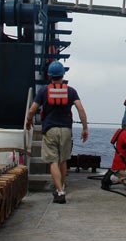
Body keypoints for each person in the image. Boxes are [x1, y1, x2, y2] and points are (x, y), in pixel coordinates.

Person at [25, 60, 88, 204]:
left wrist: (29, 121)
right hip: (66, 129)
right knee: (63, 160)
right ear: (63, 74)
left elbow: (32, 110)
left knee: (53, 161)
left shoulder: (43, 91)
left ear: (49, 75)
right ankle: (62, 186)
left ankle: (60, 191)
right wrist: (85, 128)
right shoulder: (71, 91)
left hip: (50, 129)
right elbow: (81, 109)